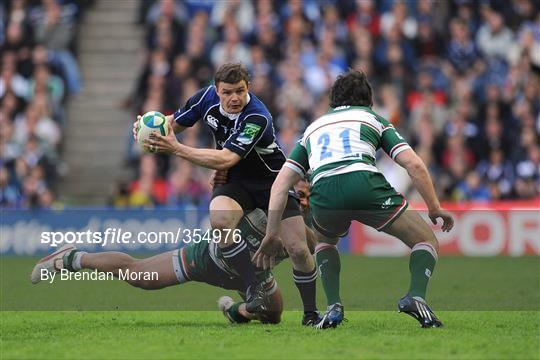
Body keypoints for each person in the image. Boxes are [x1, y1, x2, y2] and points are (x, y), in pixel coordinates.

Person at [254, 70, 454, 329]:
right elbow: (414, 165)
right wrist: (434, 207)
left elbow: (280, 185)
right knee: (425, 240)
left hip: (324, 189)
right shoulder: (373, 118)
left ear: (332, 101)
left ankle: (334, 305)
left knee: (326, 242)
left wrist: (272, 233)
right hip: (363, 182)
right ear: (368, 100)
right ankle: (415, 296)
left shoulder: (312, 128)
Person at [139, 63, 320, 325]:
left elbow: (226, 158)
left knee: (299, 248)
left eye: (240, 91)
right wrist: (145, 130)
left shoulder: (257, 116)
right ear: (217, 90)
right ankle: (252, 289)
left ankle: (311, 314)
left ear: (248, 88)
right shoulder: (205, 98)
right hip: (234, 180)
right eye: (227, 92)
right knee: (221, 221)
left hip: (272, 182)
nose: (234, 98)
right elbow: (171, 123)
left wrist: (176, 149)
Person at [30, 207, 317, 325]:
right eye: (298, 191)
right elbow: (224, 216)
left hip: (251, 278)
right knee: (138, 275)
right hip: (208, 258)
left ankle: (234, 311)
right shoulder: (262, 201)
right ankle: (71, 258)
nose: (301, 199)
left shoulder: (307, 236)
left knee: (274, 317)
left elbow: (309, 260)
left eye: (306, 196)